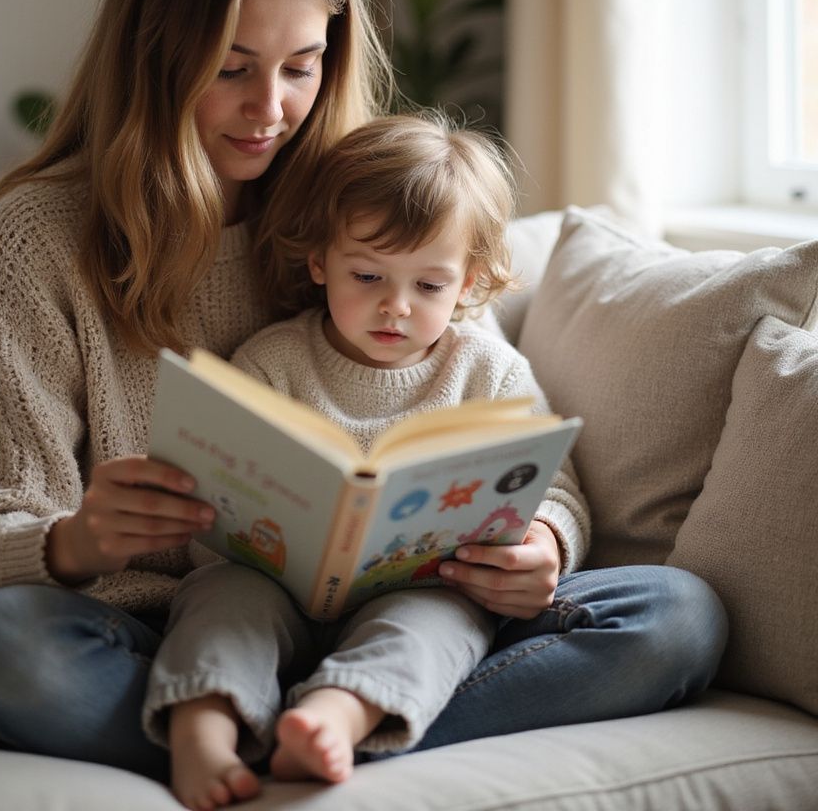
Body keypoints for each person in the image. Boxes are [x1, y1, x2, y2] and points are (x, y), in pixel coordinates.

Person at [0, 0, 726, 802]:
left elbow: (502, 427)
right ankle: (260, 719)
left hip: (414, 611)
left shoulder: (371, 202)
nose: (272, 109)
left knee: (676, 616)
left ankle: (326, 719)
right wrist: (77, 541)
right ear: (153, 54)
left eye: (302, 65)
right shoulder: (35, 244)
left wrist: (541, 551)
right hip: (171, 626)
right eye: (232, 68)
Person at [142, 113, 591, 809]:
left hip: (418, 589)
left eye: (430, 286)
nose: (396, 306)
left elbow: (554, 483)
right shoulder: (273, 361)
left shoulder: (489, 371)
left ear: (469, 282)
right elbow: (212, 494)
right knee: (221, 602)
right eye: (367, 274)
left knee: (445, 620)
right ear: (319, 260)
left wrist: (544, 543)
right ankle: (204, 729)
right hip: (269, 584)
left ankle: (335, 717)